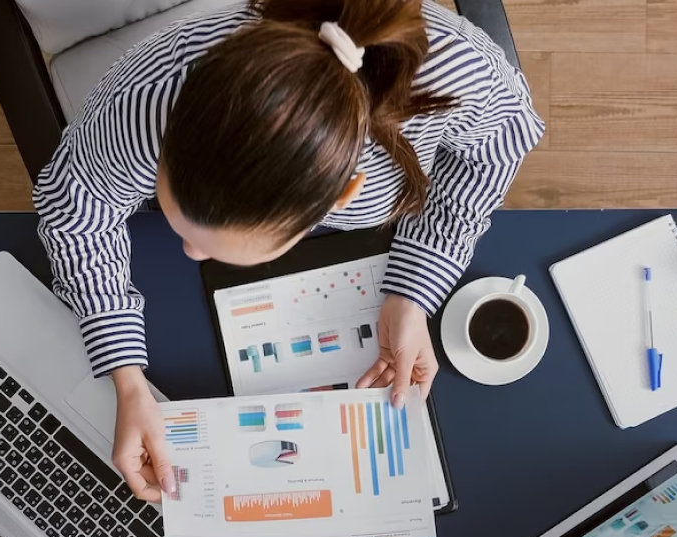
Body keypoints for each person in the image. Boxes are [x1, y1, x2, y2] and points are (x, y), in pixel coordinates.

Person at [33, 0, 544, 503]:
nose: (188, 252)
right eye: (175, 215)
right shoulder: (152, 99)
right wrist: (126, 379)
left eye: (219, 245)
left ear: (339, 197)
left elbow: (502, 145)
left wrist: (414, 289)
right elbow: (73, 206)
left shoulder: (456, 73)